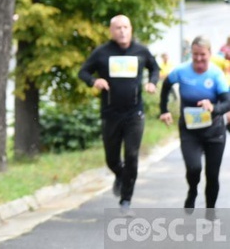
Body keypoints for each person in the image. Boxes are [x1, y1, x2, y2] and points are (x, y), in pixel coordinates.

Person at [77, 14, 160, 215]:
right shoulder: (102, 53)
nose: (122, 31)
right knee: (112, 159)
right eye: (118, 28)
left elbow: (154, 68)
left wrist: (152, 82)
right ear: (111, 31)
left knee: (132, 155)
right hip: (111, 113)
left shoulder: (140, 51)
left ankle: (126, 200)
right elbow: (83, 72)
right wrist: (94, 82)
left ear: (131, 29)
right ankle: (121, 175)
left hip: (134, 113)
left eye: (125, 27)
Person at [159, 35, 230, 210]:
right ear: (191, 53)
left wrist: (213, 107)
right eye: (195, 54)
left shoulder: (215, 74)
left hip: (215, 132)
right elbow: (166, 86)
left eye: (202, 54)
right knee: (194, 168)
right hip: (190, 131)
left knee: (212, 175)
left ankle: (210, 212)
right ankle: (192, 190)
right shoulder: (181, 71)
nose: (199, 58)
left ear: (210, 54)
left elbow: (227, 101)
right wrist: (164, 110)